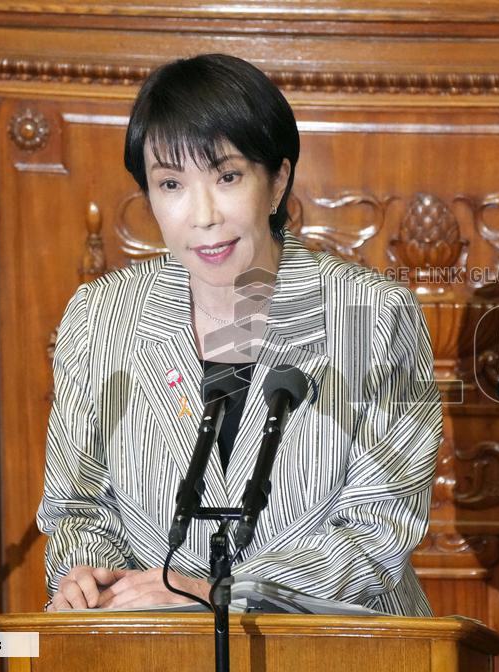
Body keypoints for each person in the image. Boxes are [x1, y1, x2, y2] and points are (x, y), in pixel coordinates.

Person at [36, 53, 442, 616]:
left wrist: (220, 596)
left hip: (339, 648)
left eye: (227, 177)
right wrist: (91, 578)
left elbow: (380, 526)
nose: (202, 215)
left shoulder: (371, 314)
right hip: (156, 648)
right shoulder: (101, 316)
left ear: (277, 182)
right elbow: (76, 505)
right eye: (171, 183)